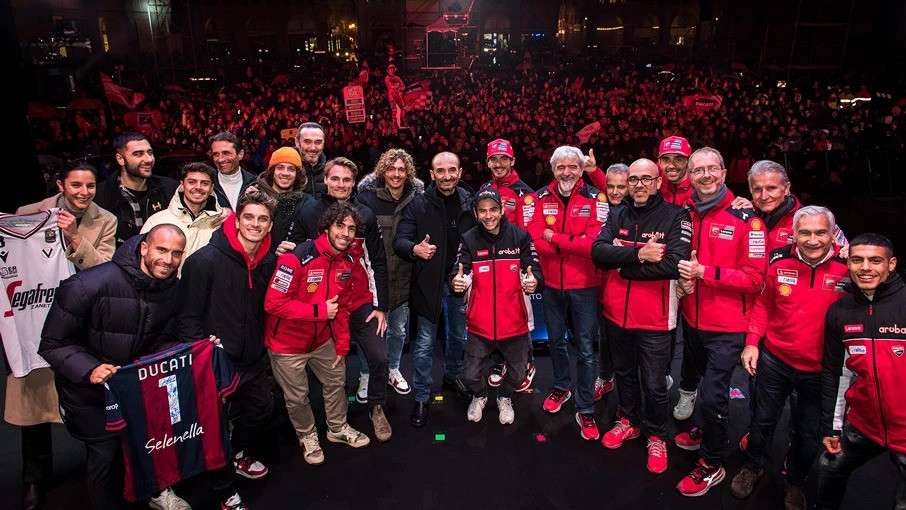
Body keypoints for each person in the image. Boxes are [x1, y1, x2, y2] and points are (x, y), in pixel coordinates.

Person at [40, 225, 245, 510]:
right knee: (105, 457)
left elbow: (161, 339)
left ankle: (156, 492)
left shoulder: (172, 289)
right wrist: (90, 369)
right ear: (144, 248)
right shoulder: (87, 284)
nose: (168, 260)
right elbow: (52, 344)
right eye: (162, 250)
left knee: (147, 444)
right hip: (88, 394)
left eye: (176, 253)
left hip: (136, 388)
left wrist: (193, 351)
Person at [10, 160, 117, 510]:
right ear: (60, 185)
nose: (84, 192)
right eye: (76, 185)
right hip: (34, 319)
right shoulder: (26, 214)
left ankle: (99, 477)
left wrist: (74, 237)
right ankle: (34, 479)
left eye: (90, 186)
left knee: (90, 405)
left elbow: (106, 270)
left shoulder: (106, 219)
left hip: (81, 326)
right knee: (34, 408)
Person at [729, 206, 848, 510]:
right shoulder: (778, 259)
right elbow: (763, 306)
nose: (812, 240)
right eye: (804, 232)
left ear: (833, 234)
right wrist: (752, 343)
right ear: (794, 234)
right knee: (762, 420)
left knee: (808, 435)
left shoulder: (849, 267)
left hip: (822, 371)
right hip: (775, 360)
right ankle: (752, 467)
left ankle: (794, 482)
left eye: (820, 232)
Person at [673, 147, 766, 497]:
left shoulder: (748, 219)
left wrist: (704, 273)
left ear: (725, 173)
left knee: (714, 397)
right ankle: (708, 431)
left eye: (712, 169)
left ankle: (712, 463)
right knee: (703, 390)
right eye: (698, 170)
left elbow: (755, 279)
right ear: (690, 177)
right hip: (692, 321)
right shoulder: (686, 213)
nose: (706, 175)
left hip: (728, 328)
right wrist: (682, 281)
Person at [592, 158, 692, 474]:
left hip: (655, 319)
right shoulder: (616, 213)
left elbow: (673, 264)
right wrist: (639, 254)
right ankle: (630, 421)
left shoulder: (676, 215)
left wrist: (623, 266)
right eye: (633, 179)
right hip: (616, 315)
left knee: (654, 382)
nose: (638, 185)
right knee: (624, 373)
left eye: (646, 178)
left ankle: (657, 436)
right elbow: (598, 253)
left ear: (658, 182)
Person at [176, 190, 278, 485]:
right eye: (249, 217)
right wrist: (202, 360)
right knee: (214, 424)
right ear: (236, 221)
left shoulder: (268, 262)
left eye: (263, 219)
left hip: (253, 358)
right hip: (216, 361)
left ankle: (236, 452)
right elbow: (187, 318)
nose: (255, 224)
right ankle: (219, 475)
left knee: (262, 409)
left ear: (270, 225)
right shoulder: (203, 261)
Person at [264, 202, 372, 466]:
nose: (345, 233)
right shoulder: (296, 257)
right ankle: (307, 435)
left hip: (323, 339)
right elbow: (273, 303)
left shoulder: (348, 262)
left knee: (337, 381)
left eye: (351, 228)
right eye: (340, 226)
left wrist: (342, 346)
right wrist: (319, 311)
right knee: (297, 397)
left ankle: (337, 428)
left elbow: (342, 308)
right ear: (326, 227)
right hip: (286, 345)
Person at [295, 157, 393, 443]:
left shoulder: (366, 214)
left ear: (354, 182)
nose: (340, 184)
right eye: (335, 178)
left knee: (379, 357)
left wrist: (381, 307)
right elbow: (294, 251)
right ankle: (336, 418)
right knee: (332, 366)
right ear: (325, 179)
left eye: (347, 179)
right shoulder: (309, 212)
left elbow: (378, 261)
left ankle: (376, 407)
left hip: (360, 302)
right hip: (323, 305)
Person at [816, 233, 906, 510]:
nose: (865, 267)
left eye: (875, 260)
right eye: (857, 260)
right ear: (849, 264)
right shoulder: (839, 311)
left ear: (891, 264)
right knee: (829, 469)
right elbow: (835, 372)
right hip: (864, 425)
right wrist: (832, 426)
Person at [526, 145, 609, 441]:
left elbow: (593, 245)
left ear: (581, 169)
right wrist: (572, 242)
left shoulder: (596, 199)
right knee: (556, 342)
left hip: (585, 286)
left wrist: (555, 239)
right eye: (560, 167)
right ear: (553, 169)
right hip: (551, 285)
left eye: (572, 166)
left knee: (585, 349)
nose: (566, 172)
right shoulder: (537, 198)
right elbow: (534, 239)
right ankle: (561, 387)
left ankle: (585, 407)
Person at [393, 151, 477, 428]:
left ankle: (452, 376)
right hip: (428, 283)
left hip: (460, 281)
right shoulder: (418, 205)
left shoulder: (471, 202)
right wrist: (415, 249)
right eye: (440, 171)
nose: (447, 176)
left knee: (458, 337)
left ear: (460, 172)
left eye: (452, 170)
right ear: (431, 175)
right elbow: (400, 240)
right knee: (425, 344)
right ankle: (421, 395)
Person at [451, 188, 543, 425]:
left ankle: (504, 397)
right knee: (469, 374)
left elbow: (534, 270)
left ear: (502, 210)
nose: (488, 215)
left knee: (519, 374)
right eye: (482, 211)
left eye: (493, 209)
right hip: (479, 324)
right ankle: (480, 396)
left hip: (514, 323)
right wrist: (458, 282)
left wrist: (534, 281)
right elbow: (459, 271)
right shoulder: (469, 239)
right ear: (475, 213)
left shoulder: (520, 237)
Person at [355, 149, 424, 401]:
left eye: (401, 169)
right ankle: (366, 375)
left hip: (404, 277)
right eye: (391, 169)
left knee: (398, 331)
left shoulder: (417, 199)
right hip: (373, 279)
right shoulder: (365, 199)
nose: (396, 174)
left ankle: (393, 370)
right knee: (370, 333)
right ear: (383, 171)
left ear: (408, 173)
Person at [479, 138, 537, 393]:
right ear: (488, 162)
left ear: (512, 161)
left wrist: (525, 268)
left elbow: (529, 235)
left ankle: (527, 363)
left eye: (504, 159)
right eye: (494, 159)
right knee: (495, 315)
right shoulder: (485, 189)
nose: (499, 164)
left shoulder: (524, 193)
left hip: (514, 268)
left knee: (519, 318)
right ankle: (501, 361)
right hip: (490, 267)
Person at [94, 131, 178, 248]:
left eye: (150, 153)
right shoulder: (99, 196)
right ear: (120, 159)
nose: (148, 159)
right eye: (138, 154)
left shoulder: (170, 189)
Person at [141, 162, 223, 271]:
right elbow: (141, 260)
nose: (198, 187)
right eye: (192, 182)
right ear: (182, 185)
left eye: (205, 183)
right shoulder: (157, 221)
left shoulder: (222, 222)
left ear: (212, 187)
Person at [253, 146, 314, 255]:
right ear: (272, 171)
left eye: (291, 169)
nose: (285, 173)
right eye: (280, 167)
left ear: (297, 174)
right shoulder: (256, 199)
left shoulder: (308, 203)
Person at [208, 131, 258, 211]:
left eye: (226, 153)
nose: (220, 159)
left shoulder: (256, 183)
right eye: (216, 154)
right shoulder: (206, 185)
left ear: (240, 154)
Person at [294, 122, 327, 198]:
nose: (312, 148)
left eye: (318, 142)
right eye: (307, 142)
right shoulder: (285, 172)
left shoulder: (330, 172)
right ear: (297, 142)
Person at [384, 64, 408, 129]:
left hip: (398, 95)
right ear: (388, 70)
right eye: (390, 69)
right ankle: (394, 123)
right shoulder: (387, 78)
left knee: (404, 108)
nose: (392, 70)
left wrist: (396, 86)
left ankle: (402, 122)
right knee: (394, 109)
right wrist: (397, 85)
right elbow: (391, 86)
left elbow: (403, 86)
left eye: (393, 69)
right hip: (392, 95)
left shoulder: (397, 78)